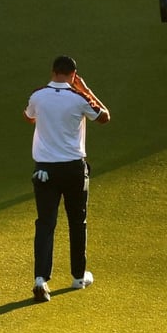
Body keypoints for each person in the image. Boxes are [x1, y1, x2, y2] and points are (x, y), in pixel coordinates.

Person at [24, 55, 110, 303]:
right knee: (77, 221)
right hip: (73, 168)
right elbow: (104, 117)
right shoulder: (79, 97)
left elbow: (29, 116)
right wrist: (85, 89)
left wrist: (45, 119)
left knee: (45, 224)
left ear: (52, 72)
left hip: (44, 170)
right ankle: (78, 276)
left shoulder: (38, 96)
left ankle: (40, 279)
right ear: (74, 75)